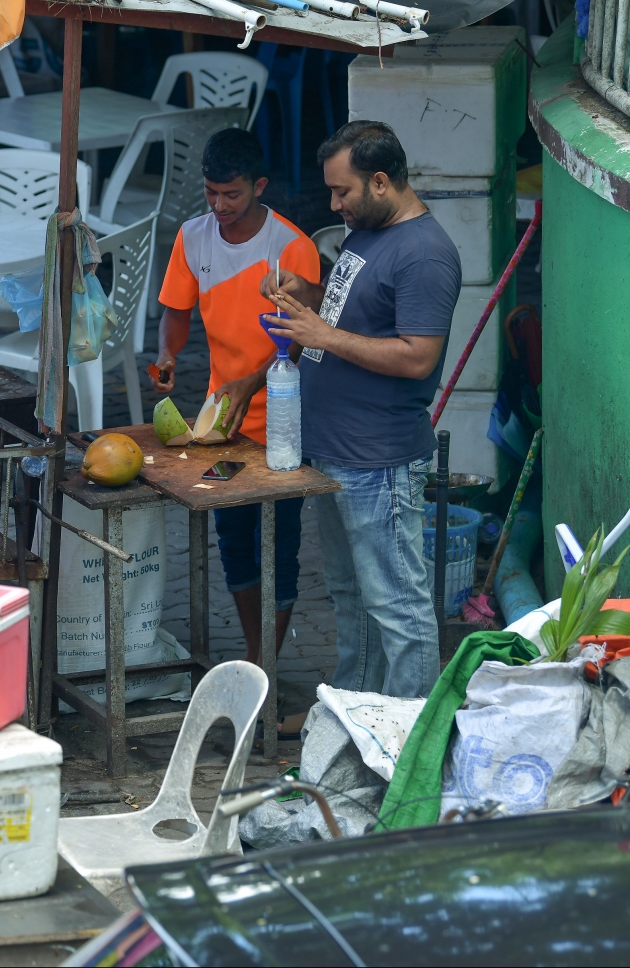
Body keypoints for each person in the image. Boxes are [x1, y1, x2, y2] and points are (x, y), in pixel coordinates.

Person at [262, 120, 461, 699]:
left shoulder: (425, 254)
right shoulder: (366, 232)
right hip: (337, 455)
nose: (333, 203)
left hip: (380, 463)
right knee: (353, 600)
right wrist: (309, 294)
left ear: (380, 182)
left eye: (342, 191)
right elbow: (356, 319)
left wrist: (320, 335)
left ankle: (408, 739)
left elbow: (417, 356)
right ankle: (356, 719)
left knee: (400, 609)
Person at [154, 128, 320, 686]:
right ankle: (257, 654)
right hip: (221, 429)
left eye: (232, 195)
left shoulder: (291, 248)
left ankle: (264, 663)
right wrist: (168, 354)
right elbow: (176, 308)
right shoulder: (192, 238)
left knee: (279, 542)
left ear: (260, 187)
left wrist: (254, 383)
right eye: (211, 194)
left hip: (283, 425)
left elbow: (304, 336)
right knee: (233, 539)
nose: (220, 207)